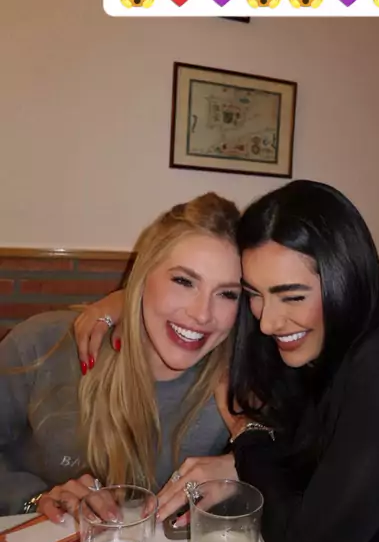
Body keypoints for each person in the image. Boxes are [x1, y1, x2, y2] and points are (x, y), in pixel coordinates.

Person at [79, 180, 379, 542]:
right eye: (254, 294)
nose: (268, 322)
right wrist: (124, 302)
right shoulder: (313, 356)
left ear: (345, 279)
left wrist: (245, 436)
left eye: (293, 296)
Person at [0, 193, 240, 519]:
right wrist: (33, 499)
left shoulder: (237, 385)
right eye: (183, 281)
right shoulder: (42, 344)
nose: (202, 314)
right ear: (142, 278)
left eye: (227, 293)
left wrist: (240, 466)